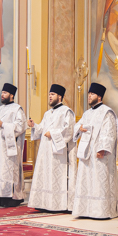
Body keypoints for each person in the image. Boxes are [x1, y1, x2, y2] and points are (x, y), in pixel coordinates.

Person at [71, 82, 118, 219]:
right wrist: (80, 128)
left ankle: (101, 210)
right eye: (88, 94)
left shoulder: (107, 112)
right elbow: (78, 126)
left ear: (99, 97)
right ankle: (85, 210)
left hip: (99, 153)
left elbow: (109, 132)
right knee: (86, 181)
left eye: (92, 94)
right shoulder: (87, 113)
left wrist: (103, 149)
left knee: (99, 181)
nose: (89, 97)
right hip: (86, 153)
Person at [27, 84, 76, 212]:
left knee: (56, 177)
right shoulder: (47, 113)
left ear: (59, 96)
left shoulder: (67, 112)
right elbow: (41, 129)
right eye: (49, 94)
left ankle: (57, 205)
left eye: (52, 94)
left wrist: (53, 134)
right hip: (46, 151)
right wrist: (34, 126)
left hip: (57, 152)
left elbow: (69, 131)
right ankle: (45, 203)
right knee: (45, 176)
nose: (50, 96)